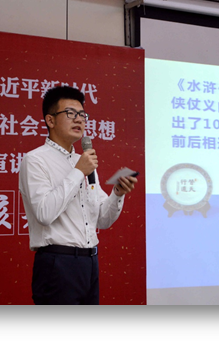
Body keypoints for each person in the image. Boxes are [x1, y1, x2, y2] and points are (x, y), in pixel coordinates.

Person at [18, 85, 137, 305]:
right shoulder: (35, 160)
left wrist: (117, 193)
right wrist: (78, 172)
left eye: (82, 114)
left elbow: (102, 219)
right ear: (50, 120)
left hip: (89, 263)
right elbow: (44, 213)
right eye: (70, 113)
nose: (79, 119)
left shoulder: (83, 161)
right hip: (57, 264)